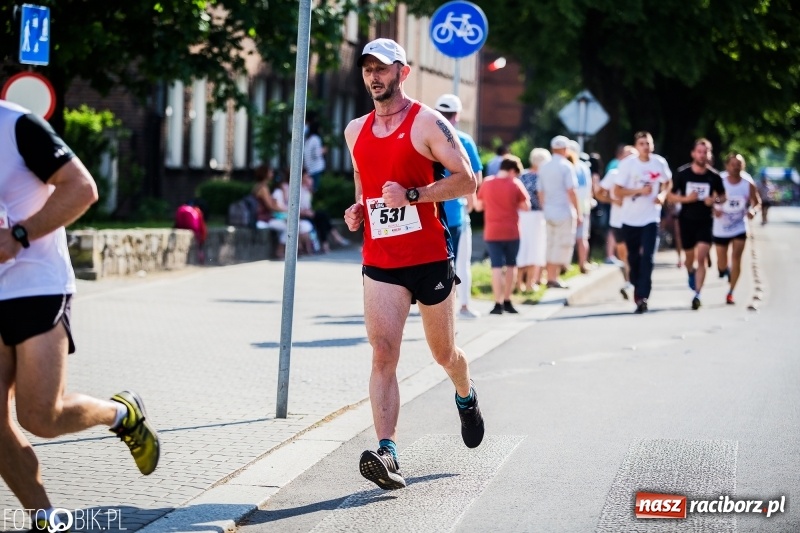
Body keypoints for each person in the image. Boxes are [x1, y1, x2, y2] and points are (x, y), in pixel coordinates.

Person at [0, 100, 160, 530]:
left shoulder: (18, 126)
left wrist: (18, 235)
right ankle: (45, 519)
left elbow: (82, 188)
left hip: (37, 284)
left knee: (40, 417)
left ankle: (121, 413)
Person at [342, 38, 484, 491]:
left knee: (444, 354)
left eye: (382, 68)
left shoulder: (427, 122)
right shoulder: (354, 130)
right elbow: (364, 181)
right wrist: (359, 210)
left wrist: (415, 195)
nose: (373, 76)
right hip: (381, 260)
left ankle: (465, 395)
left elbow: (468, 180)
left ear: (402, 72)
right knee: (384, 353)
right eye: (367, 69)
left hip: (428, 258)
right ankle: (388, 452)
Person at [433, 93, 484, 319]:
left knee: (433, 262)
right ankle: (461, 306)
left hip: (428, 211)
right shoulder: (463, 140)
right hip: (455, 213)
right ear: (457, 115)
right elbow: (476, 178)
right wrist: (471, 202)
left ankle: (434, 306)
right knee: (460, 261)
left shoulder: (424, 137)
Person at [613, 131, 672, 313]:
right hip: (630, 219)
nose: (646, 147)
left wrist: (662, 195)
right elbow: (617, 191)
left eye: (648, 143)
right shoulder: (628, 165)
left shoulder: (659, 163)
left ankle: (642, 296)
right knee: (633, 258)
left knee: (648, 257)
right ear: (637, 147)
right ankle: (636, 287)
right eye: (642, 143)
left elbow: (668, 182)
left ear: (652, 145)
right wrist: (638, 191)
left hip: (650, 218)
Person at [668, 138, 726, 310]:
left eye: (705, 152)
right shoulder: (683, 173)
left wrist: (714, 200)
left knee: (702, 257)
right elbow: (670, 196)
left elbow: (723, 196)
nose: (702, 155)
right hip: (686, 220)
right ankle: (690, 272)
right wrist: (687, 199)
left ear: (709, 154)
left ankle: (697, 294)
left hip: (705, 221)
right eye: (699, 151)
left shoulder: (714, 176)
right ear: (693, 153)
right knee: (689, 259)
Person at [475, 155, 531, 314]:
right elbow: (526, 206)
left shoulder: (487, 182)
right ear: (512, 170)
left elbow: (479, 207)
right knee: (511, 265)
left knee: (496, 267)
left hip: (492, 231)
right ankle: (507, 300)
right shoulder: (515, 183)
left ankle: (497, 303)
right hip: (512, 231)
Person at [713, 153, 761, 304]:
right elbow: (711, 198)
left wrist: (753, 210)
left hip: (740, 226)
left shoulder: (748, 183)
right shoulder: (719, 181)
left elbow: (757, 202)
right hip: (721, 226)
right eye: (733, 164)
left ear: (743, 165)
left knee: (736, 258)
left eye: (739, 164)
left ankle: (731, 292)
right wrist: (716, 207)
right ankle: (724, 270)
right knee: (721, 262)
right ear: (727, 166)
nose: (736, 167)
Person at [537, 135, 581, 289]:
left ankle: (549, 276)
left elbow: (540, 191)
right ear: (565, 149)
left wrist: (545, 206)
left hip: (548, 210)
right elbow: (571, 191)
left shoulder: (544, 166)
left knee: (549, 243)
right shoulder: (566, 166)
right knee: (561, 245)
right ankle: (553, 278)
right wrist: (578, 211)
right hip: (563, 210)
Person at [596, 145, 638, 298]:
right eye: (626, 156)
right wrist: (612, 199)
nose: (629, 159)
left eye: (633, 156)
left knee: (636, 253)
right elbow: (599, 193)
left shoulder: (640, 175)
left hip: (637, 221)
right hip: (618, 221)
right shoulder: (614, 174)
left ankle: (634, 281)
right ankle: (629, 282)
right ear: (620, 158)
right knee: (624, 254)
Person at [516, 147, 550, 293]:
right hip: (536, 216)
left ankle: (518, 283)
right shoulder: (542, 178)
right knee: (535, 249)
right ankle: (530, 283)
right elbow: (543, 199)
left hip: (520, 216)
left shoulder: (522, 176)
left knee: (522, 249)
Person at [568, 140, 595, 273]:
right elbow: (589, 188)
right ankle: (582, 263)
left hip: (571, 205)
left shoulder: (568, 166)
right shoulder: (584, 167)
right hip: (584, 205)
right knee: (582, 237)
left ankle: (565, 265)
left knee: (569, 237)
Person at [175, 199, 208, 263]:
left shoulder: (181, 209)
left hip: (182, 227)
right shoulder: (197, 211)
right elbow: (201, 226)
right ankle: (201, 259)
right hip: (195, 230)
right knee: (199, 246)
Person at [303, 119, 327, 192]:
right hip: (316, 168)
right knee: (313, 189)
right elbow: (316, 154)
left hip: (309, 167)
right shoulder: (316, 139)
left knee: (309, 188)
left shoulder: (308, 139)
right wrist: (323, 150)